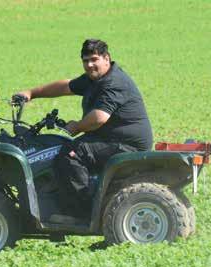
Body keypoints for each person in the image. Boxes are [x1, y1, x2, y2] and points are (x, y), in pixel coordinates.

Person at [14, 39, 153, 221]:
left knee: (71, 153)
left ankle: (81, 213)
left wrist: (77, 126)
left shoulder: (114, 82)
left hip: (126, 144)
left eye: (94, 59)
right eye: (85, 61)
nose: (89, 65)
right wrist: (32, 93)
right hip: (109, 139)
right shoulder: (94, 78)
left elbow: (99, 118)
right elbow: (66, 86)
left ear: (106, 58)